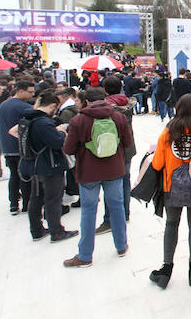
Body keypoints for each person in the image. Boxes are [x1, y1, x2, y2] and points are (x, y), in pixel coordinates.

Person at [62, 87, 133, 268]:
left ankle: (85, 255)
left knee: (88, 211)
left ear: (86, 101)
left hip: (89, 172)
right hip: (114, 169)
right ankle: (121, 245)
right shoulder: (118, 117)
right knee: (116, 207)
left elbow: (68, 149)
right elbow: (127, 143)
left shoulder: (78, 120)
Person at [148, 94, 191, 288]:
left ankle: (166, 269)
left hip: (171, 187)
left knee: (171, 225)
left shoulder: (167, 133)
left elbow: (157, 164)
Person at [19, 89, 79, 243]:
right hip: (50, 164)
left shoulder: (27, 119)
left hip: (34, 163)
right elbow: (57, 142)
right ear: (52, 105)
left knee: (36, 197)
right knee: (53, 198)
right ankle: (56, 231)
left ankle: (36, 230)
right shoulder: (44, 123)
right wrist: (61, 132)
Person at [96, 76, 137, 234]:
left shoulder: (105, 108)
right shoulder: (127, 103)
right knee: (125, 181)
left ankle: (110, 219)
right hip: (128, 147)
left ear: (105, 89)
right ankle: (124, 213)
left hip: (111, 149)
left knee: (111, 184)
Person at [0, 80, 35, 214]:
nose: (32, 94)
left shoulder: (3, 104)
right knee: (25, 177)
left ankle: (13, 204)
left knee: (14, 176)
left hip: (7, 148)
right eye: (30, 92)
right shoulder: (23, 107)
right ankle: (26, 204)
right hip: (20, 148)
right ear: (20, 91)